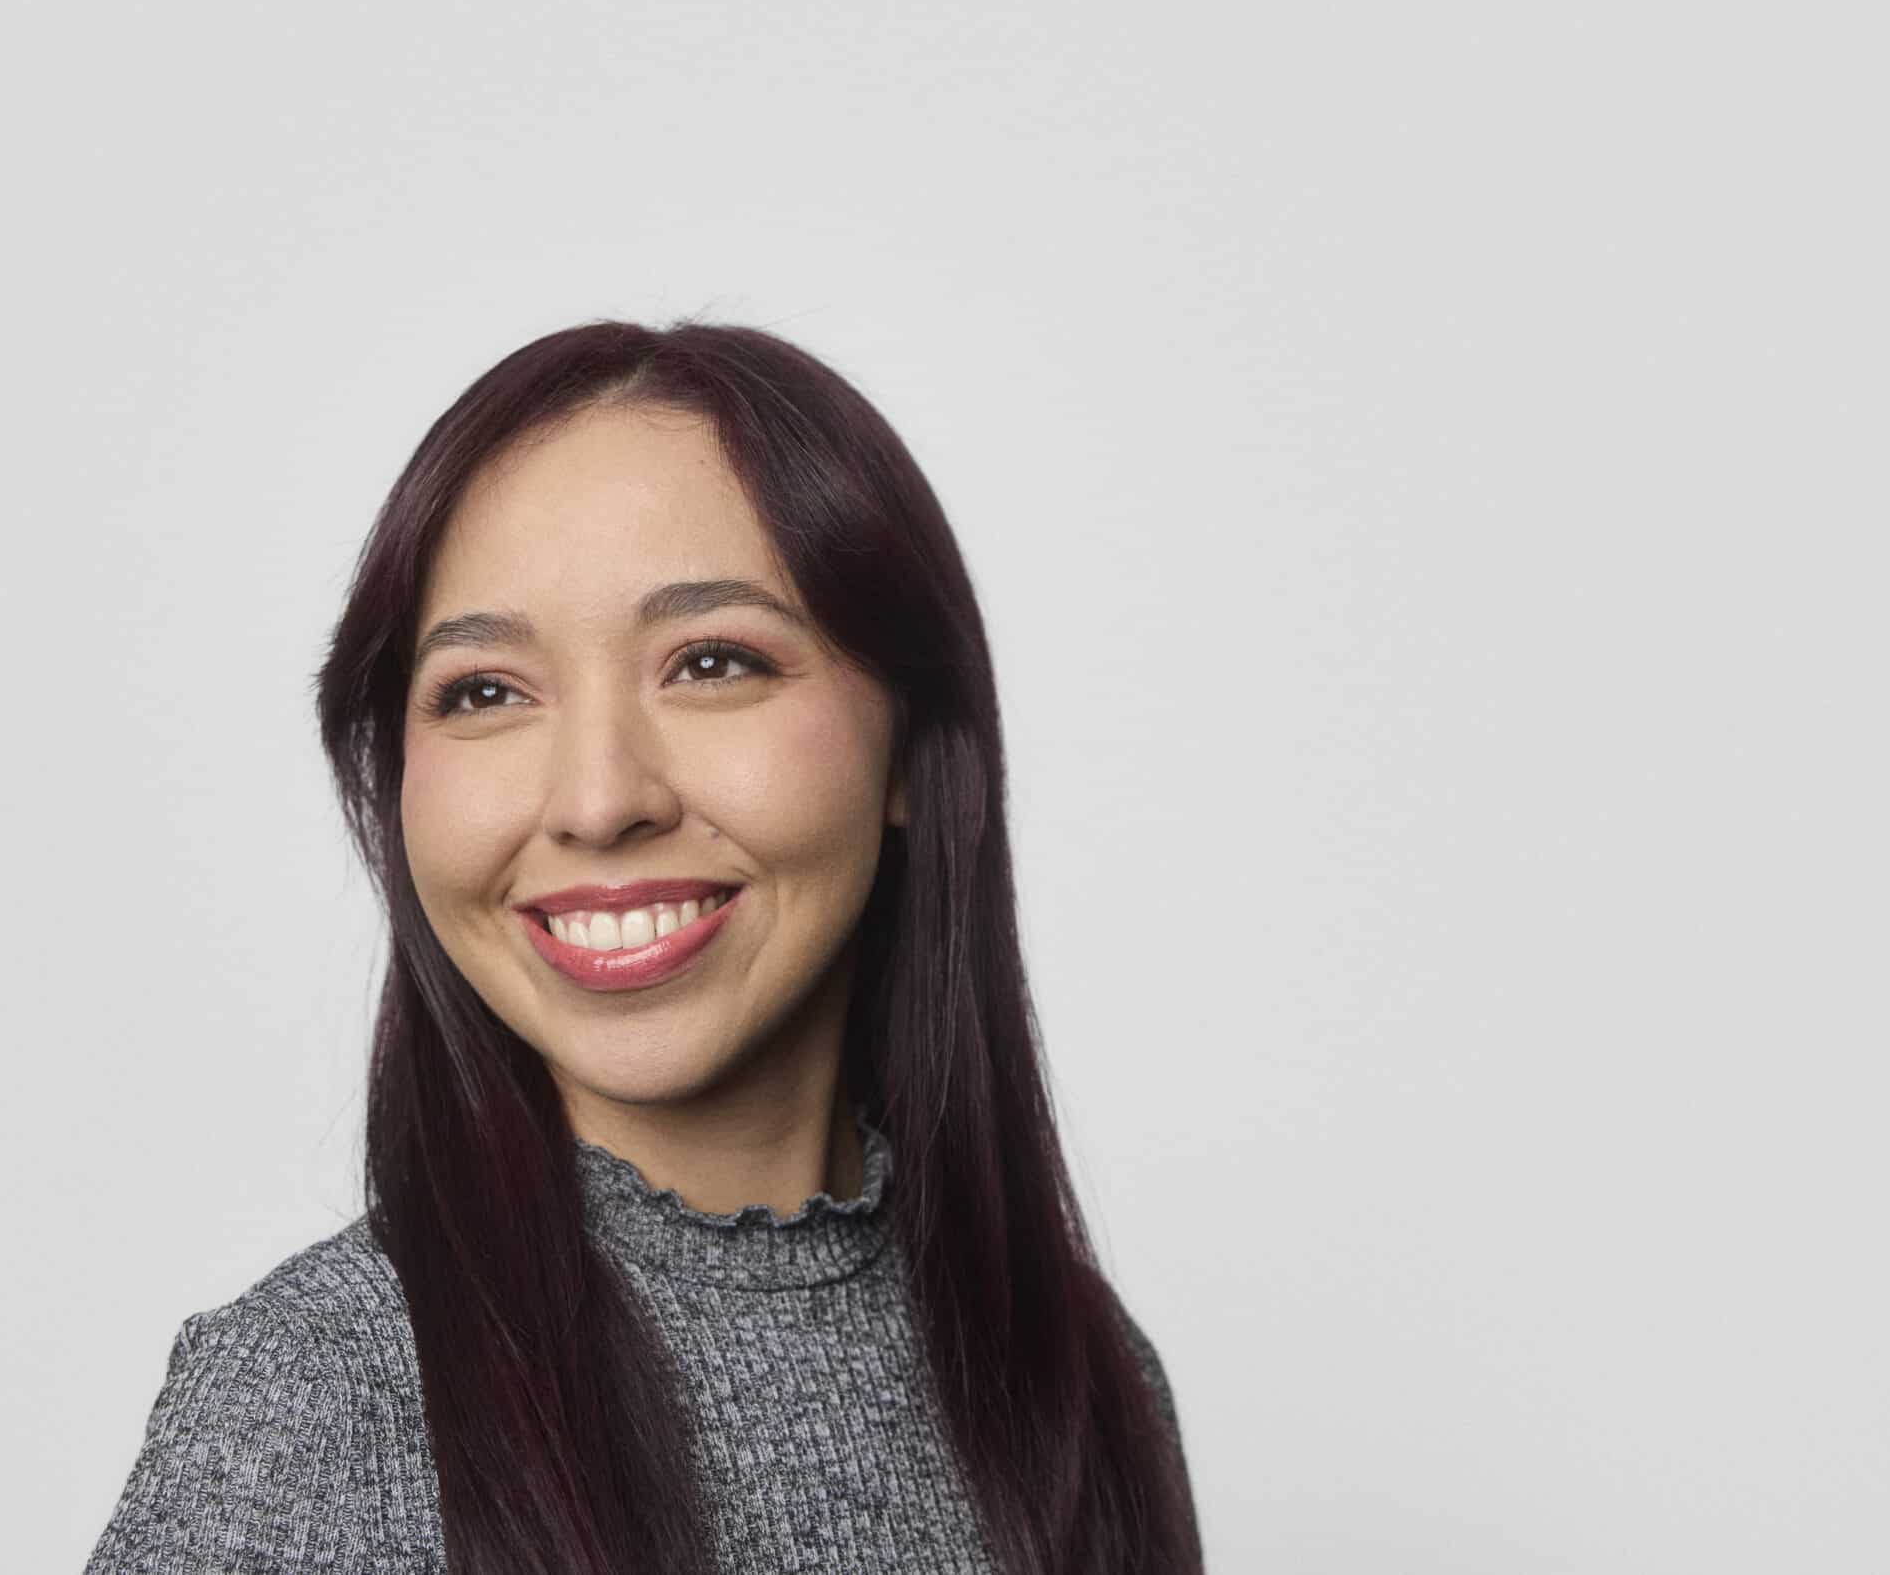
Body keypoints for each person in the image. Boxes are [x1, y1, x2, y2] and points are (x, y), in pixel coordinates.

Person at [82, 321, 1204, 1574]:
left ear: (909, 741)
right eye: (485, 691)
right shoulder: (316, 1397)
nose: (599, 798)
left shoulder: (1082, 1377)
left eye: (711, 662)